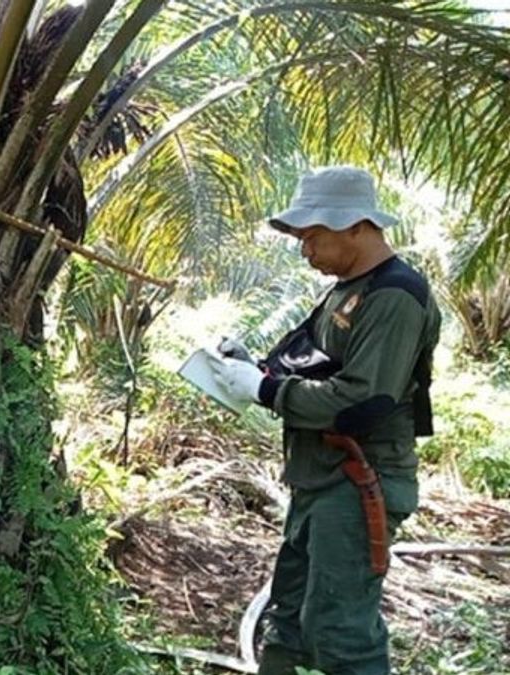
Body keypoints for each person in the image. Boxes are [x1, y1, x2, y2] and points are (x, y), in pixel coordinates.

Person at [210, 166, 441, 675]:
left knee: (341, 635)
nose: (304, 250)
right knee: (287, 622)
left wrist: (268, 390)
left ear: (357, 225)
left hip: (358, 483)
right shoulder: (347, 289)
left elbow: (364, 401)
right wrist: (256, 369)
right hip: (320, 477)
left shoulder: (395, 296)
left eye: (312, 236)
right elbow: (318, 363)